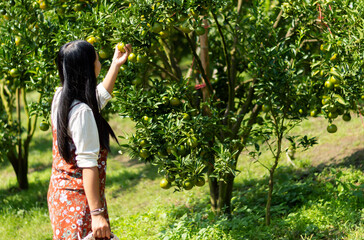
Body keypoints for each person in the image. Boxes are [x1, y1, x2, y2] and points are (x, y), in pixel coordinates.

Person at [47, 40, 132, 240]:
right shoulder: (82, 112)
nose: (98, 61)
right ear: (88, 67)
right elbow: (88, 165)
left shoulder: (61, 97)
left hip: (61, 197)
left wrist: (116, 65)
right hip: (81, 202)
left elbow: (97, 98)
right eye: (96, 58)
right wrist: (96, 215)